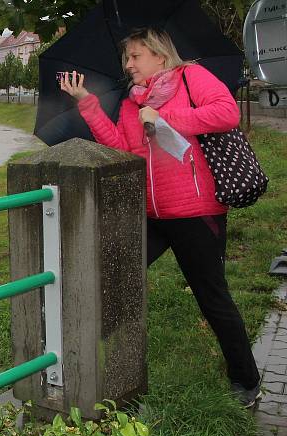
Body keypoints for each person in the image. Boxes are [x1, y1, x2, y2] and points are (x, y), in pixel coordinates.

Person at [59, 27, 262, 408]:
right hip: (152, 213)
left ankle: (246, 382)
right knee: (116, 276)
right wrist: (87, 103)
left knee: (212, 297)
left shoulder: (191, 77)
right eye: (126, 58)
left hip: (196, 212)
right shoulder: (130, 103)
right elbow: (121, 148)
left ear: (160, 56)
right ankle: (119, 377)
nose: (128, 64)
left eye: (135, 56)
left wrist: (165, 115)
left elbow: (226, 112)